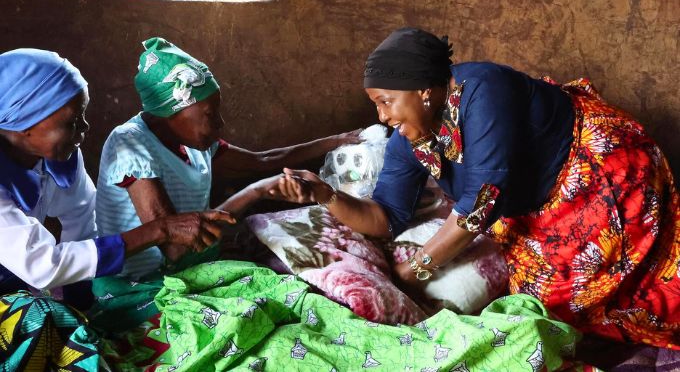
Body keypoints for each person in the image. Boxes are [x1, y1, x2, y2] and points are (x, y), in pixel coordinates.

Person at [275, 27, 680, 349]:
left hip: (597, 173)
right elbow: (385, 216)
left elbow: (480, 204)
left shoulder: (483, 89)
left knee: (608, 288)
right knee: (545, 304)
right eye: (376, 105)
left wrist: (412, 273)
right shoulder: (406, 140)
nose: (382, 117)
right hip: (537, 206)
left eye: (387, 101)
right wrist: (324, 195)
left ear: (424, 91)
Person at [92, 37, 360, 328]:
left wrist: (336, 141)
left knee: (290, 293)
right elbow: (175, 248)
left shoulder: (194, 141)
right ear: (169, 113)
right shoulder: (130, 144)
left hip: (184, 269)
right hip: (137, 287)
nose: (219, 123)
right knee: (258, 312)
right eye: (209, 114)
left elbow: (261, 161)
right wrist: (256, 191)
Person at [0, 49, 233, 369]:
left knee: (86, 330)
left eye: (82, 115)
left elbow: (82, 224)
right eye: (70, 122)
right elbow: (42, 265)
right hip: (15, 292)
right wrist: (160, 229)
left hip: (13, 289)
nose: (84, 128)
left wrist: (87, 311)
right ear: (22, 123)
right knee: (38, 317)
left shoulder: (58, 160)